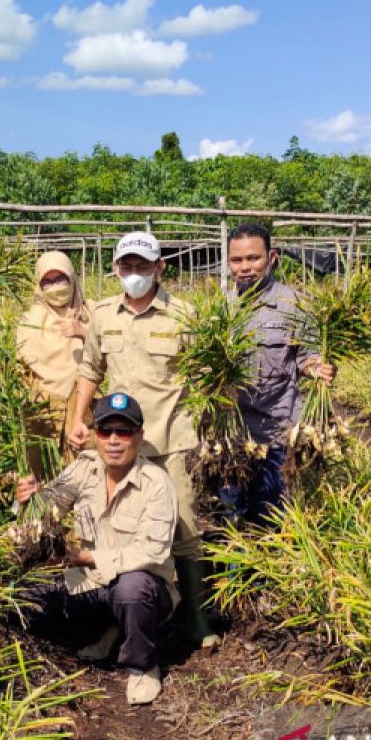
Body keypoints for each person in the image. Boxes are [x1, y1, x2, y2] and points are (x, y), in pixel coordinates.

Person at [68, 231, 218, 650]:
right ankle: (122, 617)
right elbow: (90, 370)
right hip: (120, 441)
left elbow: (206, 376)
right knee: (117, 529)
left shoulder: (184, 315)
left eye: (143, 266)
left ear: (160, 268)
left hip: (173, 438)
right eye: (127, 266)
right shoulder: (102, 314)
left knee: (186, 528)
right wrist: (78, 419)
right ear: (116, 268)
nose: (134, 274)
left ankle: (195, 615)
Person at [15, 393, 175, 705]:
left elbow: (153, 552)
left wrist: (87, 557)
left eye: (124, 432)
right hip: (90, 582)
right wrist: (28, 499)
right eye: (105, 431)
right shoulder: (84, 468)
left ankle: (142, 666)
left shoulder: (156, 482)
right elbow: (47, 508)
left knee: (133, 588)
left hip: (143, 591)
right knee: (23, 596)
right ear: (95, 436)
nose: (114, 440)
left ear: (139, 437)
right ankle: (108, 629)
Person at [222, 224, 335, 525]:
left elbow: (306, 356)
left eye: (253, 258)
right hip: (233, 434)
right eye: (237, 260)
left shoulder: (294, 304)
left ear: (271, 258)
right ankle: (235, 573)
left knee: (272, 517)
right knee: (231, 517)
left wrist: (317, 368)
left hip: (278, 432)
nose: (245, 267)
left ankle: (268, 572)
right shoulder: (221, 307)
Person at [15, 250, 93, 477]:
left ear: (72, 278)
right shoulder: (29, 321)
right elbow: (20, 368)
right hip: (42, 413)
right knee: (43, 477)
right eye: (47, 281)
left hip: (85, 408)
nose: (55, 286)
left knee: (84, 477)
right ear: (38, 286)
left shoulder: (92, 313)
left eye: (60, 279)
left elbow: (117, 352)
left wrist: (84, 333)